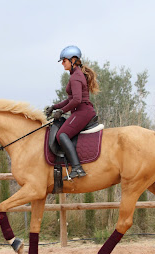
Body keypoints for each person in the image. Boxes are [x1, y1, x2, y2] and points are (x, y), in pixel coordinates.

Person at [46, 45, 100, 180]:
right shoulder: (75, 75)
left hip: (83, 111)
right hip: (81, 110)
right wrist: (54, 107)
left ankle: (77, 168)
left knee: (62, 134)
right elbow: (71, 99)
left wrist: (62, 111)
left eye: (64, 61)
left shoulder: (76, 77)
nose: (62, 64)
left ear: (73, 60)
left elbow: (76, 100)